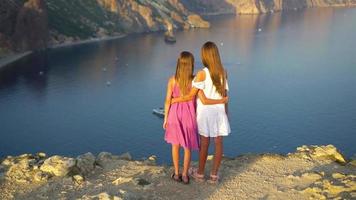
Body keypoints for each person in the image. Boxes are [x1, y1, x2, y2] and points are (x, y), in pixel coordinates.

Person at [164, 51, 227, 184]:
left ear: (178, 65)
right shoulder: (195, 80)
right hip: (189, 116)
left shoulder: (172, 80)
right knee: (187, 147)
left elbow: (167, 101)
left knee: (175, 145)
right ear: (191, 65)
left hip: (174, 115)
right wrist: (223, 102)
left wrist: (165, 118)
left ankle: (176, 174)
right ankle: (186, 175)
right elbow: (198, 97)